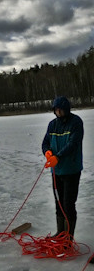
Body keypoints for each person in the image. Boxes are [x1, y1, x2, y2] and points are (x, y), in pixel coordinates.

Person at [41, 96, 84, 239]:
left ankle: (68, 237)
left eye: (60, 110)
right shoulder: (52, 124)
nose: (58, 112)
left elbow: (73, 143)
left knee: (68, 204)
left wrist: (58, 156)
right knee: (58, 203)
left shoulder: (76, 122)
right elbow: (46, 141)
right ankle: (60, 233)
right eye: (56, 110)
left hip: (71, 170)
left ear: (66, 109)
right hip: (56, 171)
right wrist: (47, 152)